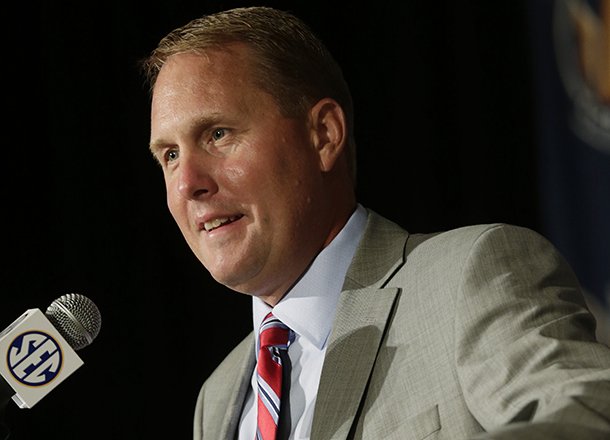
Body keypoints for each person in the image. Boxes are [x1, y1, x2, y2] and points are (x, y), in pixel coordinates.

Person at [141, 6, 610, 440]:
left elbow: (588, 413)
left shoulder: (467, 278)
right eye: (170, 155)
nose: (187, 184)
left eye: (218, 134)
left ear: (324, 135)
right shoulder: (218, 396)